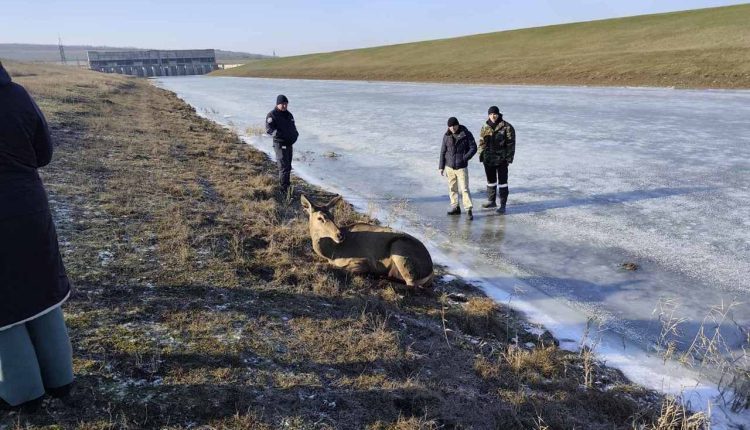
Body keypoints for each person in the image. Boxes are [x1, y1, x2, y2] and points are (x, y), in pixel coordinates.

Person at [0, 61, 74, 410]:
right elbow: (43, 152)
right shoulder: (16, 94)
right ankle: (61, 379)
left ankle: (21, 393)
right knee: (42, 291)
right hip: (29, 206)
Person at [478, 106, 516, 214]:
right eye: (491, 114)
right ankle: (491, 201)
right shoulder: (485, 126)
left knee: (503, 183)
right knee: (491, 181)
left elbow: (511, 144)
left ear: (498, 114)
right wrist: (481, 155)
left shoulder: (507, 127)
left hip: (502, 160)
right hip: (488, 159)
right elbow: (481, 142)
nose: (493, 116)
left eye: (495, 114)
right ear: (488, 115)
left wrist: (508, 159)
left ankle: (503, 205)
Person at [439, 117, 477, 220]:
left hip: (461, 167)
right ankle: (455, 207)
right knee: (452, 188)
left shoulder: (466, 134)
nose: (452, 128)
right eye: (450, 126)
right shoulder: (446, 136)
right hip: (449, 167)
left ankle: (468, 210)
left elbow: (473, 148)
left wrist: (465, 158)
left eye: (454, 125)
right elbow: (443, 151)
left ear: (458, 124)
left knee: (464, 189)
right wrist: (441, 167)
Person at [265, 94, 299, 193]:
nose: (284, 106)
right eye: (282, 104)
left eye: (286, 104)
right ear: (277, 104)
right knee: (283, 167)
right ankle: (283, 190)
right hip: (280, 144)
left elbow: (293, 127)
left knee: (288, 166)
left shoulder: (289, 115)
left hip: (289, 144)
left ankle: (287, 185)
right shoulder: (272, 115)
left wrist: (295, 135)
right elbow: (269, 129)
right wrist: (279, 135)